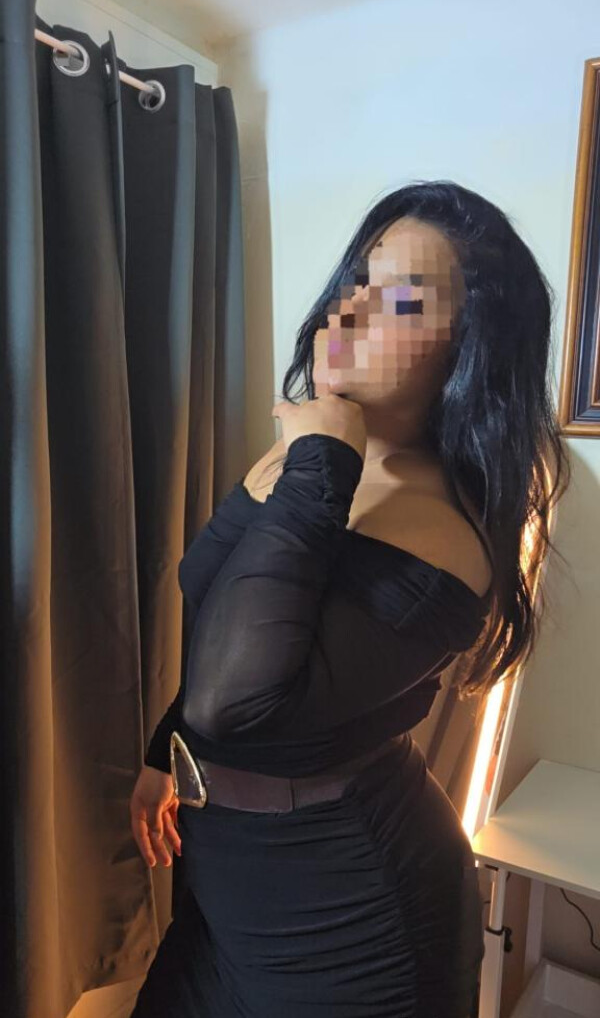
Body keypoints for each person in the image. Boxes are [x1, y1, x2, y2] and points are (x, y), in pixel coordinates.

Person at [128, 180, 570, 1017]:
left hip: (349, 911)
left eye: (402, 299)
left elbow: (235, 704)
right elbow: (224, 616)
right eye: (361, 278)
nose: (353, 306)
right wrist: (165, 753)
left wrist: (323, 463)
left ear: (468, 348)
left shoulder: (439, 525)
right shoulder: (309, 451)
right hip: (229, 870)